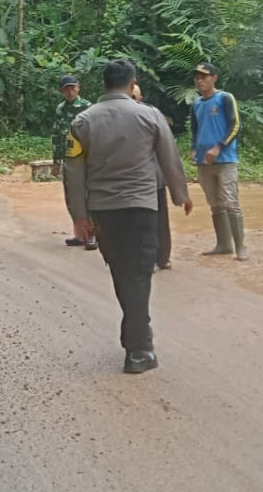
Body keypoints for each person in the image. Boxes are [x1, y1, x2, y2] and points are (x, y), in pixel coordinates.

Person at [69, 58, 193, 374]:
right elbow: (170, 157)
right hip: (140, 207)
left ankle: (137, 333)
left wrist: (79, 217)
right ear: (132, 82)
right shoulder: (149, 115)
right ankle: (138, 350)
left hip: (103, 211)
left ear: (103, 84)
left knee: (123, 272)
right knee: (137, 274)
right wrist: (181, 194)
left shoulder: (83, 121)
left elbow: (72, 172)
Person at [190, 63, 246, 261]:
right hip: (204, 163)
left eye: (204, 76)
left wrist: (218, 147)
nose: (200, 80)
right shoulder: (196, 104)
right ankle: (223, 244)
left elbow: (235, 125)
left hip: (225, 160)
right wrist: (194, 150)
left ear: (214, 78)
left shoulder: (225, 98)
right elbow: (195, 131)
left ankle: (241, 247)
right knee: (215, 204)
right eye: (197, 77)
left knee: (231, 202)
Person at [131, 81, 174, 271]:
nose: (131, 101)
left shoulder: (152, 115)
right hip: (132, 179)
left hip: (152, 177)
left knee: (158, 220)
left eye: (134, 98)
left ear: (140, 98)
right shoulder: (122, 117)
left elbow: (167, 149)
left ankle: (162, 257)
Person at [53, 74, 93, 249]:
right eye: (66, 89)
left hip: (86, 159)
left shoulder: (87, 108)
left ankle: (91, 235)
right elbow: (57, 136)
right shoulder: (60, 109)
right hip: (69, 160)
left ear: (78, 88)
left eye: (72, 88)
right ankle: (80, 234)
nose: (69, 92)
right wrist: (56, 161)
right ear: (61, 91)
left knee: (87, 197)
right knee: (71, 199)